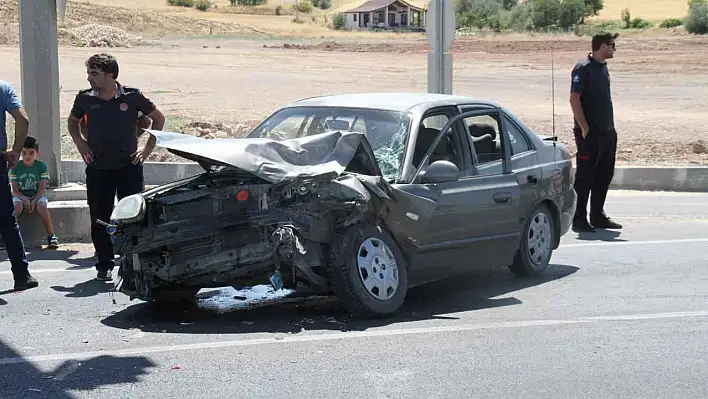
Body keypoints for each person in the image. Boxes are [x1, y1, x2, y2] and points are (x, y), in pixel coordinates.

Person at [66, 53, 165, 281]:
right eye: (89, 73)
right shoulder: (85, 99)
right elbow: (72, 122)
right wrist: (81, 143)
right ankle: (104, 264)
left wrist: (146, 150)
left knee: (133, 218)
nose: (89, 78)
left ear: (110, 75)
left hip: (128, 167)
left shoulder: (132, 97)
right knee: (99, 218)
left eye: (94, 74)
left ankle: (132, 263)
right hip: (98, 169)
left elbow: (158, 119)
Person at [569, 32, 623, 233]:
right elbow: (574, 99)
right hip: (590, 134)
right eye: (612, 45)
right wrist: (584, 128)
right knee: (585, 177)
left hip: (607, 131)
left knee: (604, 175)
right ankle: (579, 218)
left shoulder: (603, 68)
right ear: (602, 46)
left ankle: (597, 215)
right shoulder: (583, 69)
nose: (614, 49)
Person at [0, 79, 38, 291]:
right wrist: (14, 152)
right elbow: (22, 120)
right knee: (7, 221)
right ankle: (21, 276)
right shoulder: (3, 88)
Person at [10, 136, 59, 249]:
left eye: (31, 153)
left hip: (37, 195)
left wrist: (35, 200)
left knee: (42, 207)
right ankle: (7, 236)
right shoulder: (15, 167)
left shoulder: (42, 167)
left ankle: (51, 236)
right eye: (24, 153)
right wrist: (25, 199)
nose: (27, 156)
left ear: (37, 153)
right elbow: (15, 190)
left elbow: (42, 189)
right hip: (20, 196)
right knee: (16, 207)